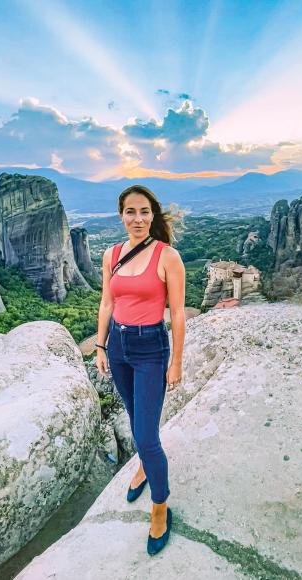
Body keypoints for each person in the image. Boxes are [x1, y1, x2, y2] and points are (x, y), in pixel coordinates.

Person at [95, 184, 186, 555]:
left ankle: (160, 505)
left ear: (153, 215)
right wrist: (100, 346)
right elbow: (106, 303)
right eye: (130, 212)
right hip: (118, 347)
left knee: (146, 436)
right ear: (121, 215)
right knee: (136, 420)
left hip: (151, 349)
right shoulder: (112, 254)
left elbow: (177, 313)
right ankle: (146, 467)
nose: (137, 218)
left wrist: (176, 361)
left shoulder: (168, 257)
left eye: (144, 211)